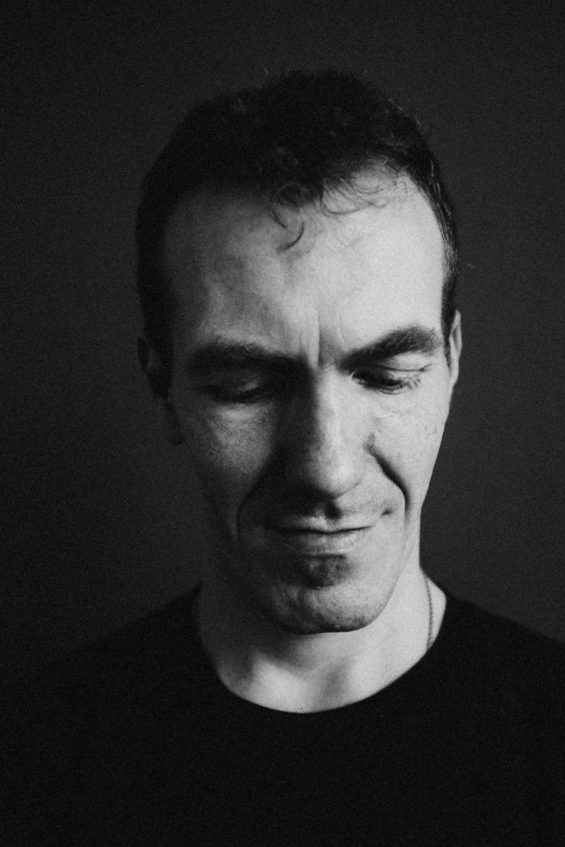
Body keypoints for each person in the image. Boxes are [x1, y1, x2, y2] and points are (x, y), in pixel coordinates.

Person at [6, 70, 564, 846]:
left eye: (387, 374)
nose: (326, 469)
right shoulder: (33, 765)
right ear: (162, 387)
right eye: (246, 386)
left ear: (451, 362)